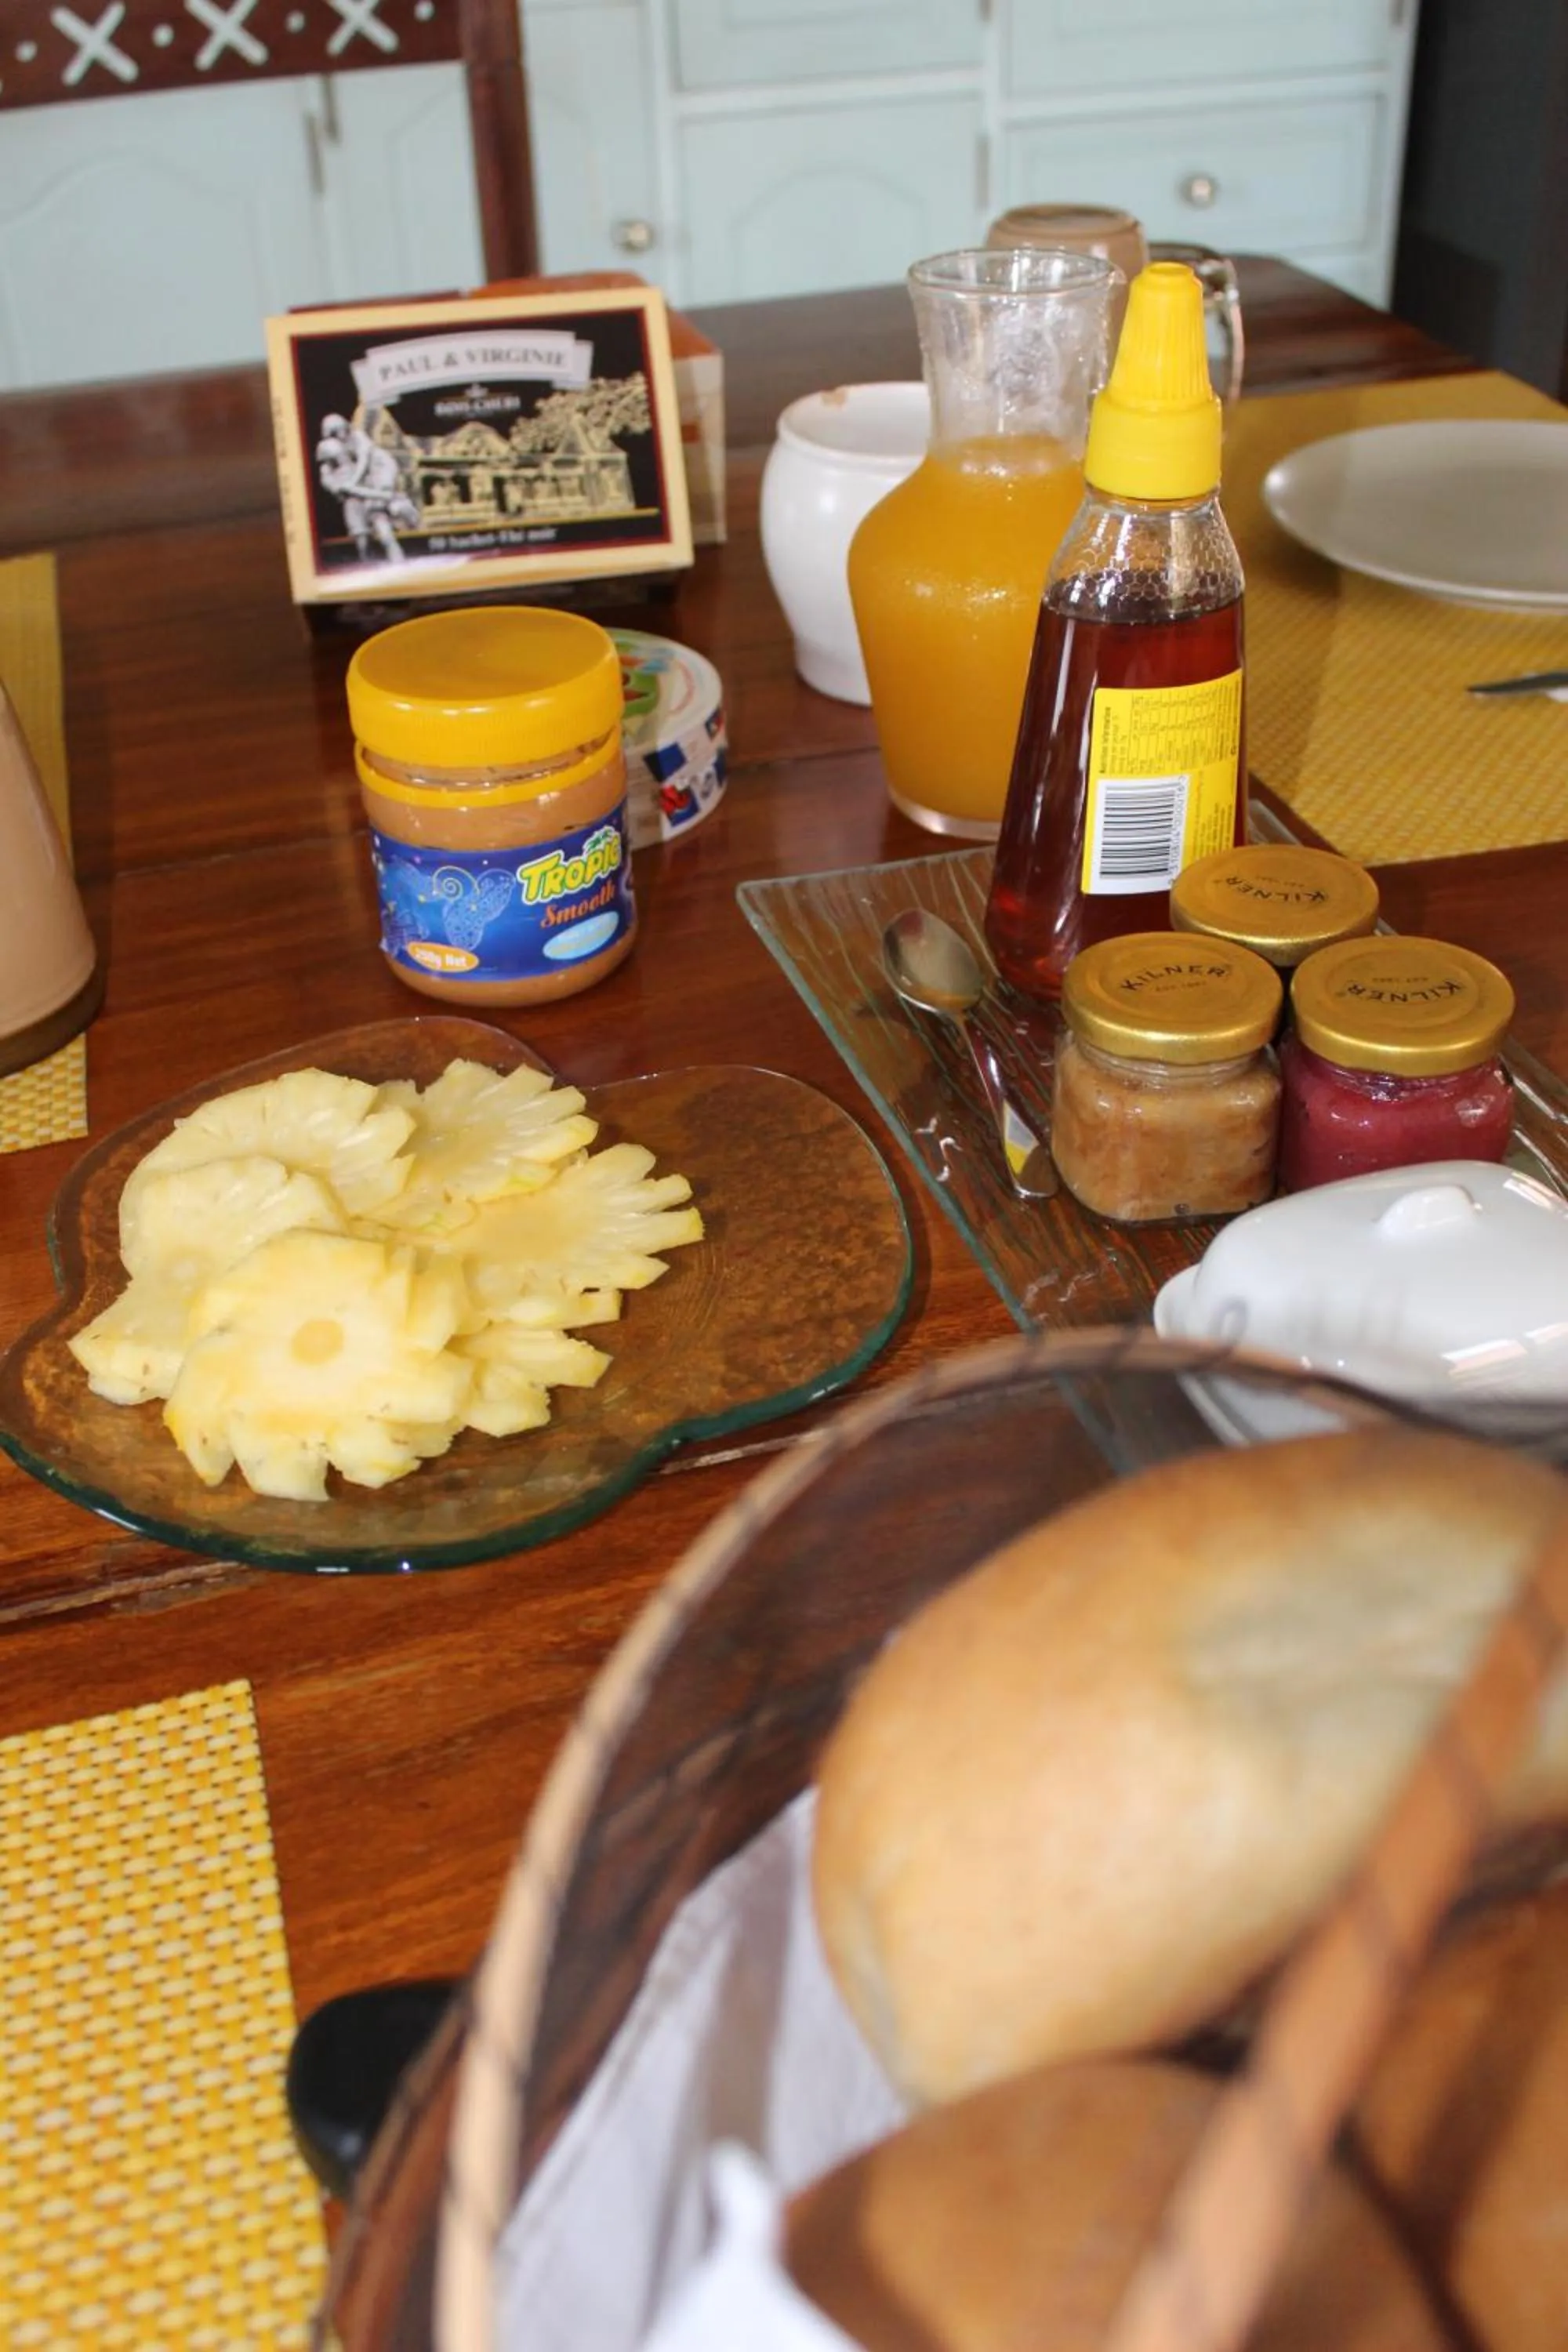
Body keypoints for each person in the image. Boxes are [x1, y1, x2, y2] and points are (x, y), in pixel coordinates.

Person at [315, 412, 420, 562]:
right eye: (336, 433)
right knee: (363, 542)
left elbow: (365, 463)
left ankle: (400, 562)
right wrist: (385, 495)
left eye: (342, 430)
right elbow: (356, 491)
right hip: (358, 505)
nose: (342, 436)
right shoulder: (329, 477)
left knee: (386, 533)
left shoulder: (359, 446)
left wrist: (359, 482)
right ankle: (368, 565)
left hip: (377, 488)